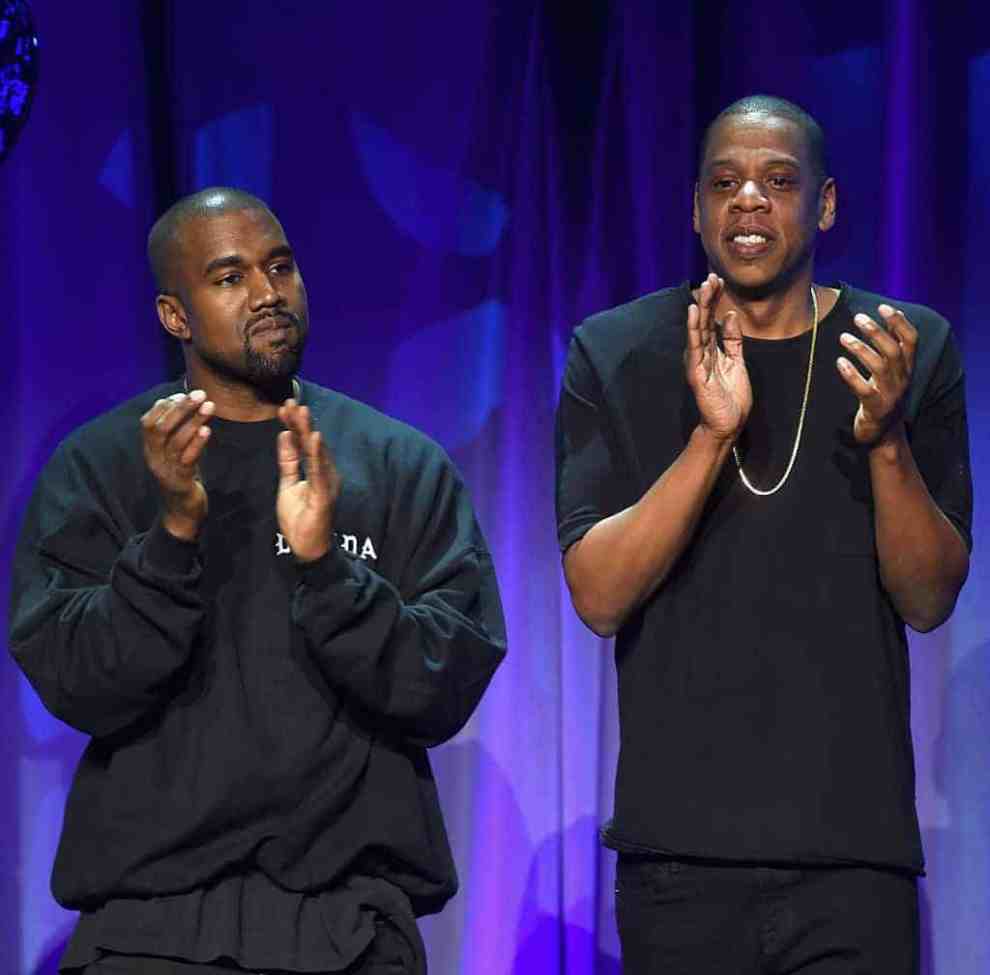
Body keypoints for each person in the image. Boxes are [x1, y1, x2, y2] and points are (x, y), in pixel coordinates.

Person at [9, 187, 506, 974]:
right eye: (231, 277)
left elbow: (442, 684)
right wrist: (171, 535)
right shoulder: (101, 468)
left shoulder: (397, 464)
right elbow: (76, 681)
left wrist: (328, 569)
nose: (269, 293)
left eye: (280, 266)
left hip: (350, 924)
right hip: (152, 928)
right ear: (176, 315)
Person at [555, 95, 971, 974]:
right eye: (726, 182)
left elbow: (930, 597)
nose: (749, 200)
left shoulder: (903, 349)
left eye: (778, 182)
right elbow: (596, 594)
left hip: (853, 864)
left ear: (823, 204)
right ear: (696, 208)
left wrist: (887, 440)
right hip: (679, 862)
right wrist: (711, 436)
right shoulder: (616, 351)